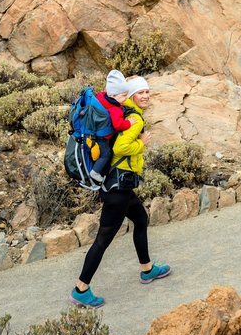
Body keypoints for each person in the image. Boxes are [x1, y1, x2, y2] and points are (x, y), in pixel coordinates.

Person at [71, 76, 171, 307]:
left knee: (141, 219)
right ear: (131, 96)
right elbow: (121, 147)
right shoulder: (134, 118)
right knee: (103, 240)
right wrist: (142, 143)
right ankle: (81, 289)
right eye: (140, 92)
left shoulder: (123, 111)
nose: (145, 96)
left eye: (147, 91)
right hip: (118, 189)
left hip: (120, 186)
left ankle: (147, 269)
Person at [90, 69, 136, 185]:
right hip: (101, 138)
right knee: (106, 155)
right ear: (113, 95)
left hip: (93, 132)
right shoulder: (115, 109)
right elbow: (118, 125)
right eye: (123, 95)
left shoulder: (102, 97)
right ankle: (95, 172)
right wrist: (129, 123)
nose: (126, 98)